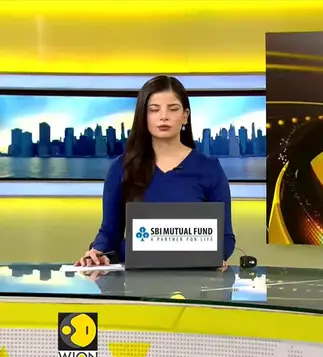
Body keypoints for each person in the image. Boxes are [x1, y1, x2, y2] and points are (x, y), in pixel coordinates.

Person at [75, 75, 235, 269]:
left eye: (173, 109)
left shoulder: (209, 168)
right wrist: (97, 251)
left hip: (193, 279)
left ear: (185, 116)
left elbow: (226, 237)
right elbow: (110, 233)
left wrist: (214, 257)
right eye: (154, 109)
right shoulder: (121, 167)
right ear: (143, 116)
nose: (163, 116)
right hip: (133, 280)